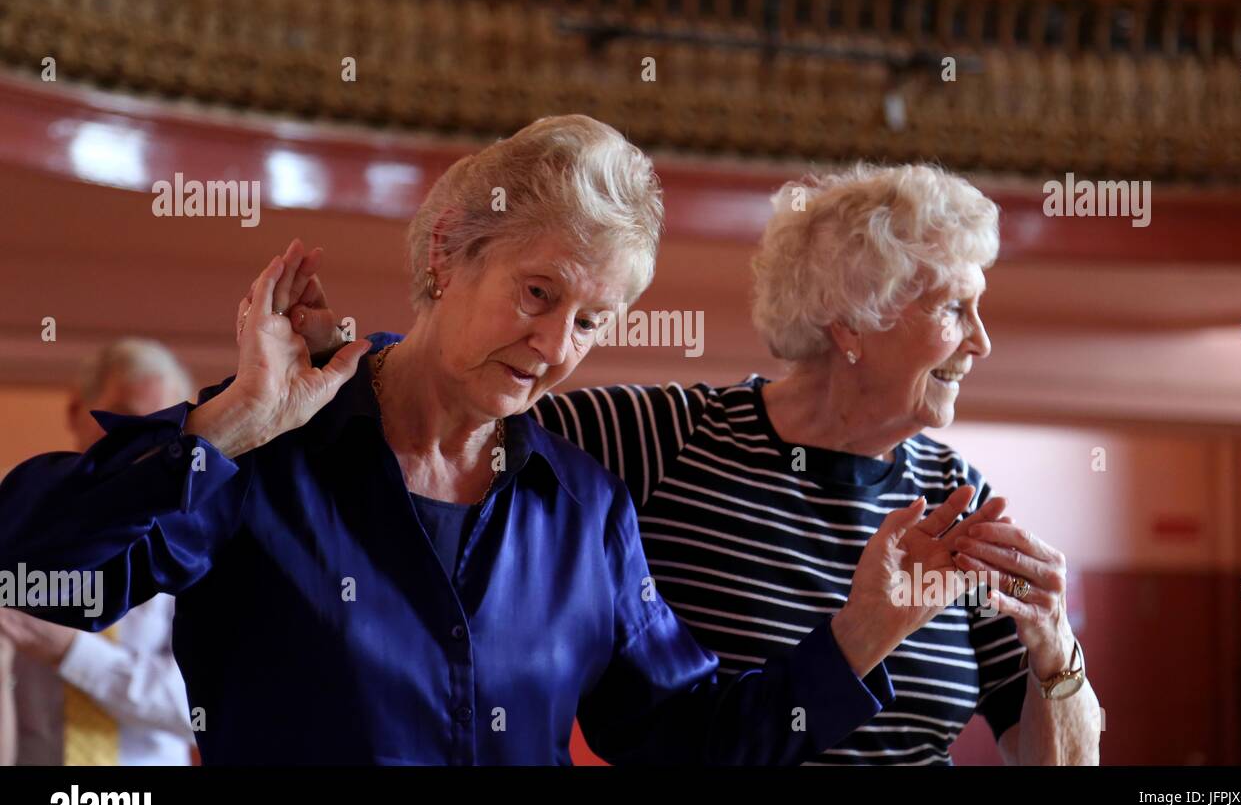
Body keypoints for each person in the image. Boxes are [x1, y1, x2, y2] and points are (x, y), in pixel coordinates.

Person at [0, 117, 998, 765]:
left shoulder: (586, 508)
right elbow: (31, 575)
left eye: (592, 320)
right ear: (448, 254)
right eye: (537, 291)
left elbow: (684, 737)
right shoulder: (267, 451)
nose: (556, 344)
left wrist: (863, 628)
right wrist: (230, 422)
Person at [292, 161, 1101, 765]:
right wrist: (332, 373)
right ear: (854, 321)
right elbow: (452, 417)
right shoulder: (649, 438)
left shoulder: (958, 499)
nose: (981, 340)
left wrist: (1056, 649)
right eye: (955, 307)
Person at [0, 339, 195, 766]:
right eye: (123, 417)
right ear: (76, 410)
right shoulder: (12, 519)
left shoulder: (197, 539)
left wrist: (72, 652)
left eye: (161, 424)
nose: (142, 440)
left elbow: (197, 709)